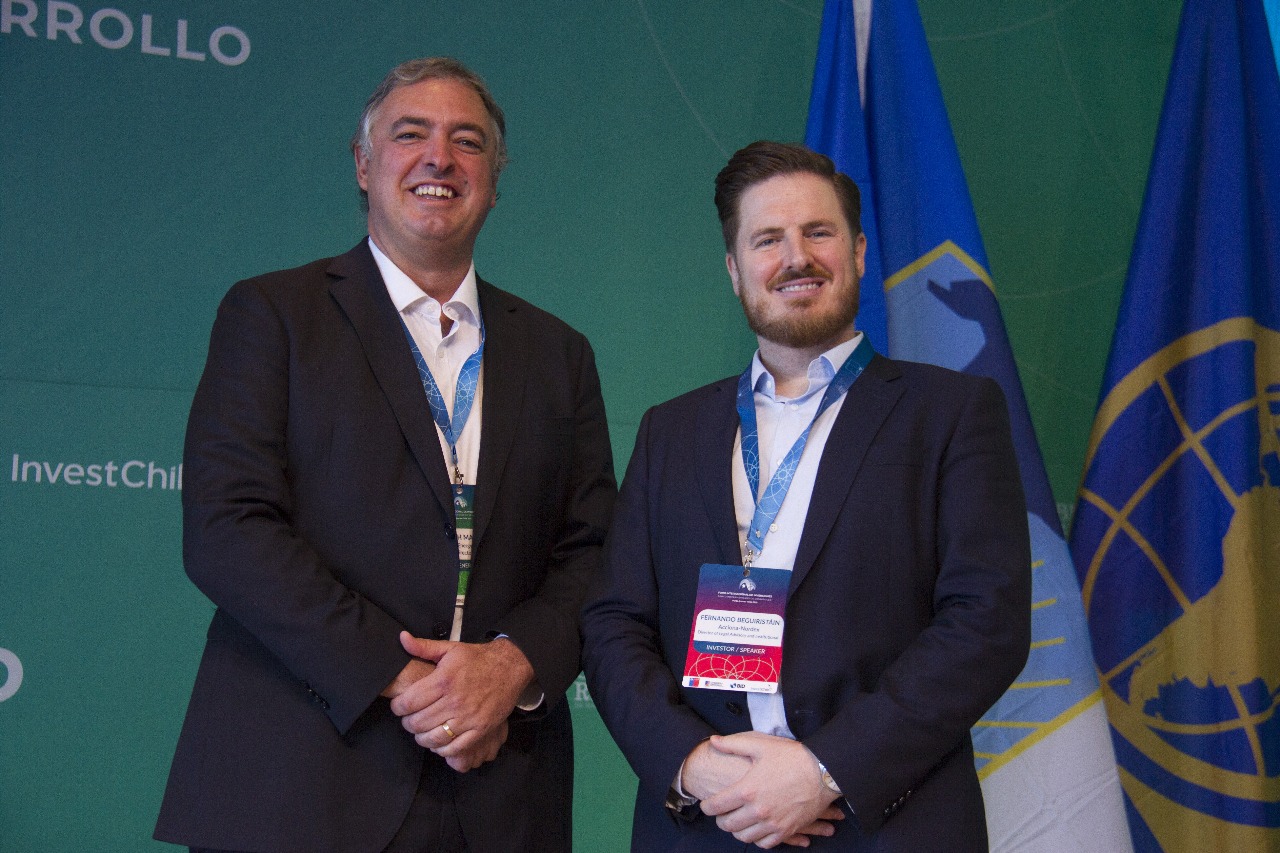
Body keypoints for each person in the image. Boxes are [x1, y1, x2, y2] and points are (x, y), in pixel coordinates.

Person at [155, 57, 616, 853]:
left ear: (495, 182)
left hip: (498, 790)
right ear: (364, 166)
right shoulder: (274, 314)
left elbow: (594, 551)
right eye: (411, 134)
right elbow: (228, 528)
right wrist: (406, 680)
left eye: (467, 141)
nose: (440, 157)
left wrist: (509, 668)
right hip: (302, 783)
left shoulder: (558, 353)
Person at [581, 141, 1030, 852]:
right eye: (768, 239)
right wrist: (692, 764)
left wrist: (825, 769)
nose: (797, 258)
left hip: (884, 825)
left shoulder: (951, 412)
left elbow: (987, 622)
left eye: (818, 232)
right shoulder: (671, 431)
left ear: (857, 251)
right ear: (734, 270)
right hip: (704, 823)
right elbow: (614, 622)